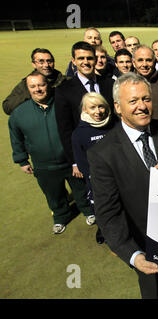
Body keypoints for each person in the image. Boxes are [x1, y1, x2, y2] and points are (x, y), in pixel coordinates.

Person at [87, 72, 158, 299]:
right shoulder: (102, 153)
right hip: (141, 241)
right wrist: (132, 254)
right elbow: (107, 212)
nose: (142, 106)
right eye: (133, 101)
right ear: (117, 107)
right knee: (151, 290)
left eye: (146, 99)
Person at [8, 71, 94, 234]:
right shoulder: (19, 113)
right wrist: (22, 160)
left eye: (41, 85)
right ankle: (60, 217)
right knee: (54, 194)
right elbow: (16, 138)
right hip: (44, 165)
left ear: (48, 85)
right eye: (32, 86)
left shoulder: (62, 104)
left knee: (80, 190)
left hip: (70, 160)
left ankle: (88, 211)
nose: (38, 89)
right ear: (27, 89)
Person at [55, 41, 115, 173]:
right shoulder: (63, 90)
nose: (86, 62)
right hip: (86, 154)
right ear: (73, 61)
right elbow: (65, 129)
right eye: (81, 58)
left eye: (89, 58)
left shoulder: (110, 83)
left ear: (95, 59)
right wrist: (74, 161)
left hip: (112, 150)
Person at [71, 92, 114, 244]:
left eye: (101, 106)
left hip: (117, 175)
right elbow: (82, 162)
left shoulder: (114, 124)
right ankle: (102, 229)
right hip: (96, 180)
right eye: (93, 107)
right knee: (100, 208)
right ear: (85, 110)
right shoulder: (79, 133)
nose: (98, 111)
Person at [3, 48, 67, 115]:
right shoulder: (25, 84)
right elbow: (7, 107)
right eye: (41, 62)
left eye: (49, 61)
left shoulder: (66, 81)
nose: (46, 65)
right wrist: (32, 92)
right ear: (33, 64)